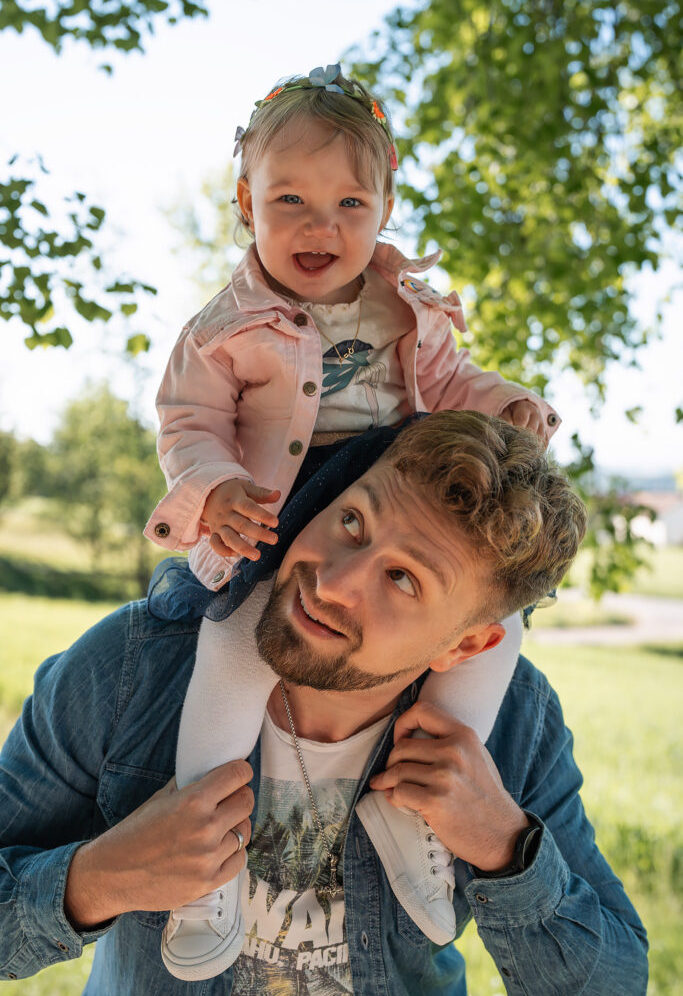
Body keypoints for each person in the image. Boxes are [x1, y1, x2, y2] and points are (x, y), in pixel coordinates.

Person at [141, 63, 562, 976]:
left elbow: (450, 389)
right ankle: (203, 860)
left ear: (384, 205)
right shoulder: (226, 327)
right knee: (232, 656)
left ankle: (415, 808)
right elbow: (189, 422)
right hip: (275, 535)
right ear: (245, 201)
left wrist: (506, 403)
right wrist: (213, 490)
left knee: (497, 632)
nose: (318, 226)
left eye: (348, 202)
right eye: (288, 197)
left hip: (383, 518)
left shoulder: (406, 308)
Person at [0, 412, 648, 994]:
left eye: (401, 577)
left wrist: (506, 847)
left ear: (468, 644)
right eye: (351, 521)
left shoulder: (515, 722)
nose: (331, 581)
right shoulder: (131, 665)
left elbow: (613, 981)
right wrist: (97, 880)